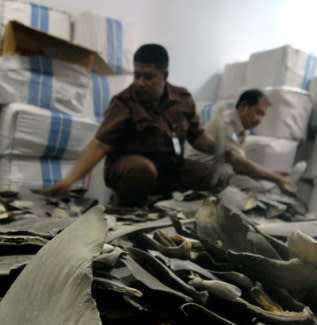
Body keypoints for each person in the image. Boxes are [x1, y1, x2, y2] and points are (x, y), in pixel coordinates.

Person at [45, 44, 287, 206]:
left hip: (170, 168)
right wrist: (70, 180)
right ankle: (127, 215)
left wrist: (221, 151)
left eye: (148, 76)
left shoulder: (182, 100)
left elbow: (197, 137)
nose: (140, 82)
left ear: (165, 75)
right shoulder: (123, 102)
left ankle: (199, 218)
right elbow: (99, 145)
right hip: (129, 170)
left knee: (217, 174)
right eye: (136, 75)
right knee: (142, 169)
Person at [186, 88, 294, 194]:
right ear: (244, 106)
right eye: (258, 112)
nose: (259, 120)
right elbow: (241, 165)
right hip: (201, 174)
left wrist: (272, 176)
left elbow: (239, 168)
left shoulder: (241, 129)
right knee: (257, 191)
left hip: (218, 173)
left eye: (262, 116)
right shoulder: (225, 125)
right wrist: (275, 178)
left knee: (255, 187)